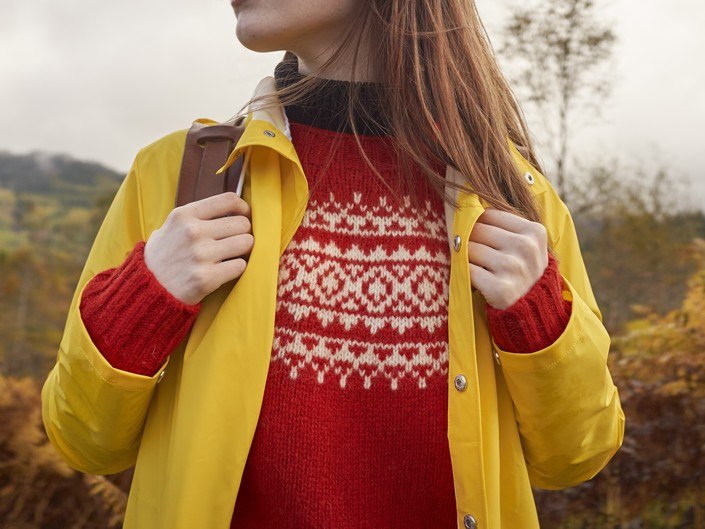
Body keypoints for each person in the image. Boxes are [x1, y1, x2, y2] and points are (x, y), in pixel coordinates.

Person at [40, 0, 625, 528]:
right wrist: (146, 296)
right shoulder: (180, 176)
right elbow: (84, 441)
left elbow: (576, 452)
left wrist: (538, 313)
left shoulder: (512, 197)